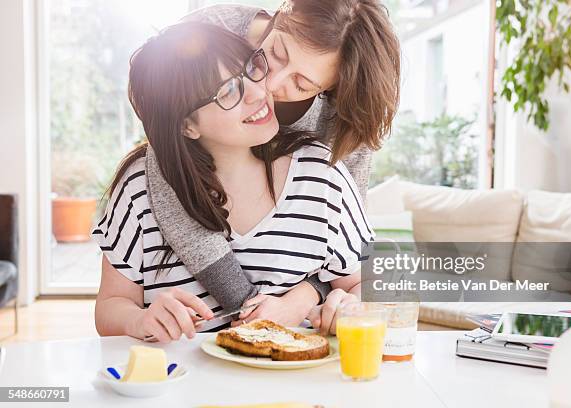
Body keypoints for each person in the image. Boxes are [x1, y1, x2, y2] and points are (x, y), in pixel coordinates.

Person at [94, 22, 373, 343]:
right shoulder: (138, 187)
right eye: (227, 91)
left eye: (251, 69)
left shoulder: (323, 176)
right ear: (186, 125)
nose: (258, 92)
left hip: (296, 383)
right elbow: (110, 308)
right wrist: (139, 319)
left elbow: (365, 286)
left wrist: (350, 306)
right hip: (180, 385)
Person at [145, 0, 400, 331]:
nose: (269, 84)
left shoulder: (345, 116)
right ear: (282, 12)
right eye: (277, 52)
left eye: (301, 84)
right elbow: (169, 158)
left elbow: (341, 240)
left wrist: (304, 297)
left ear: (331, 90)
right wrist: (245, 305)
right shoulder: (210, 32)